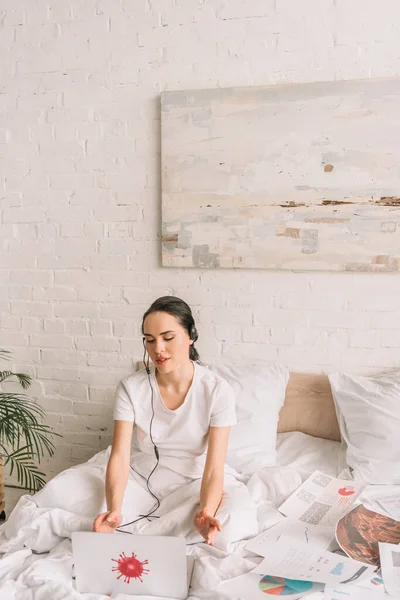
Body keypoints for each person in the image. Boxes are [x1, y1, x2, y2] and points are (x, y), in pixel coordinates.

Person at [93, 296, 244, 546]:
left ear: (191, 336)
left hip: (196, 479)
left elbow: (214, 467)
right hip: (143, 475)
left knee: (228, 528)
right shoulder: (130, 387)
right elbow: (119, 455)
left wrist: (206, 511)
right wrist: (114, 510)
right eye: (149, 340)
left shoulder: (217, 390)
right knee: (83, 502)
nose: (158, 349)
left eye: (168, 337)